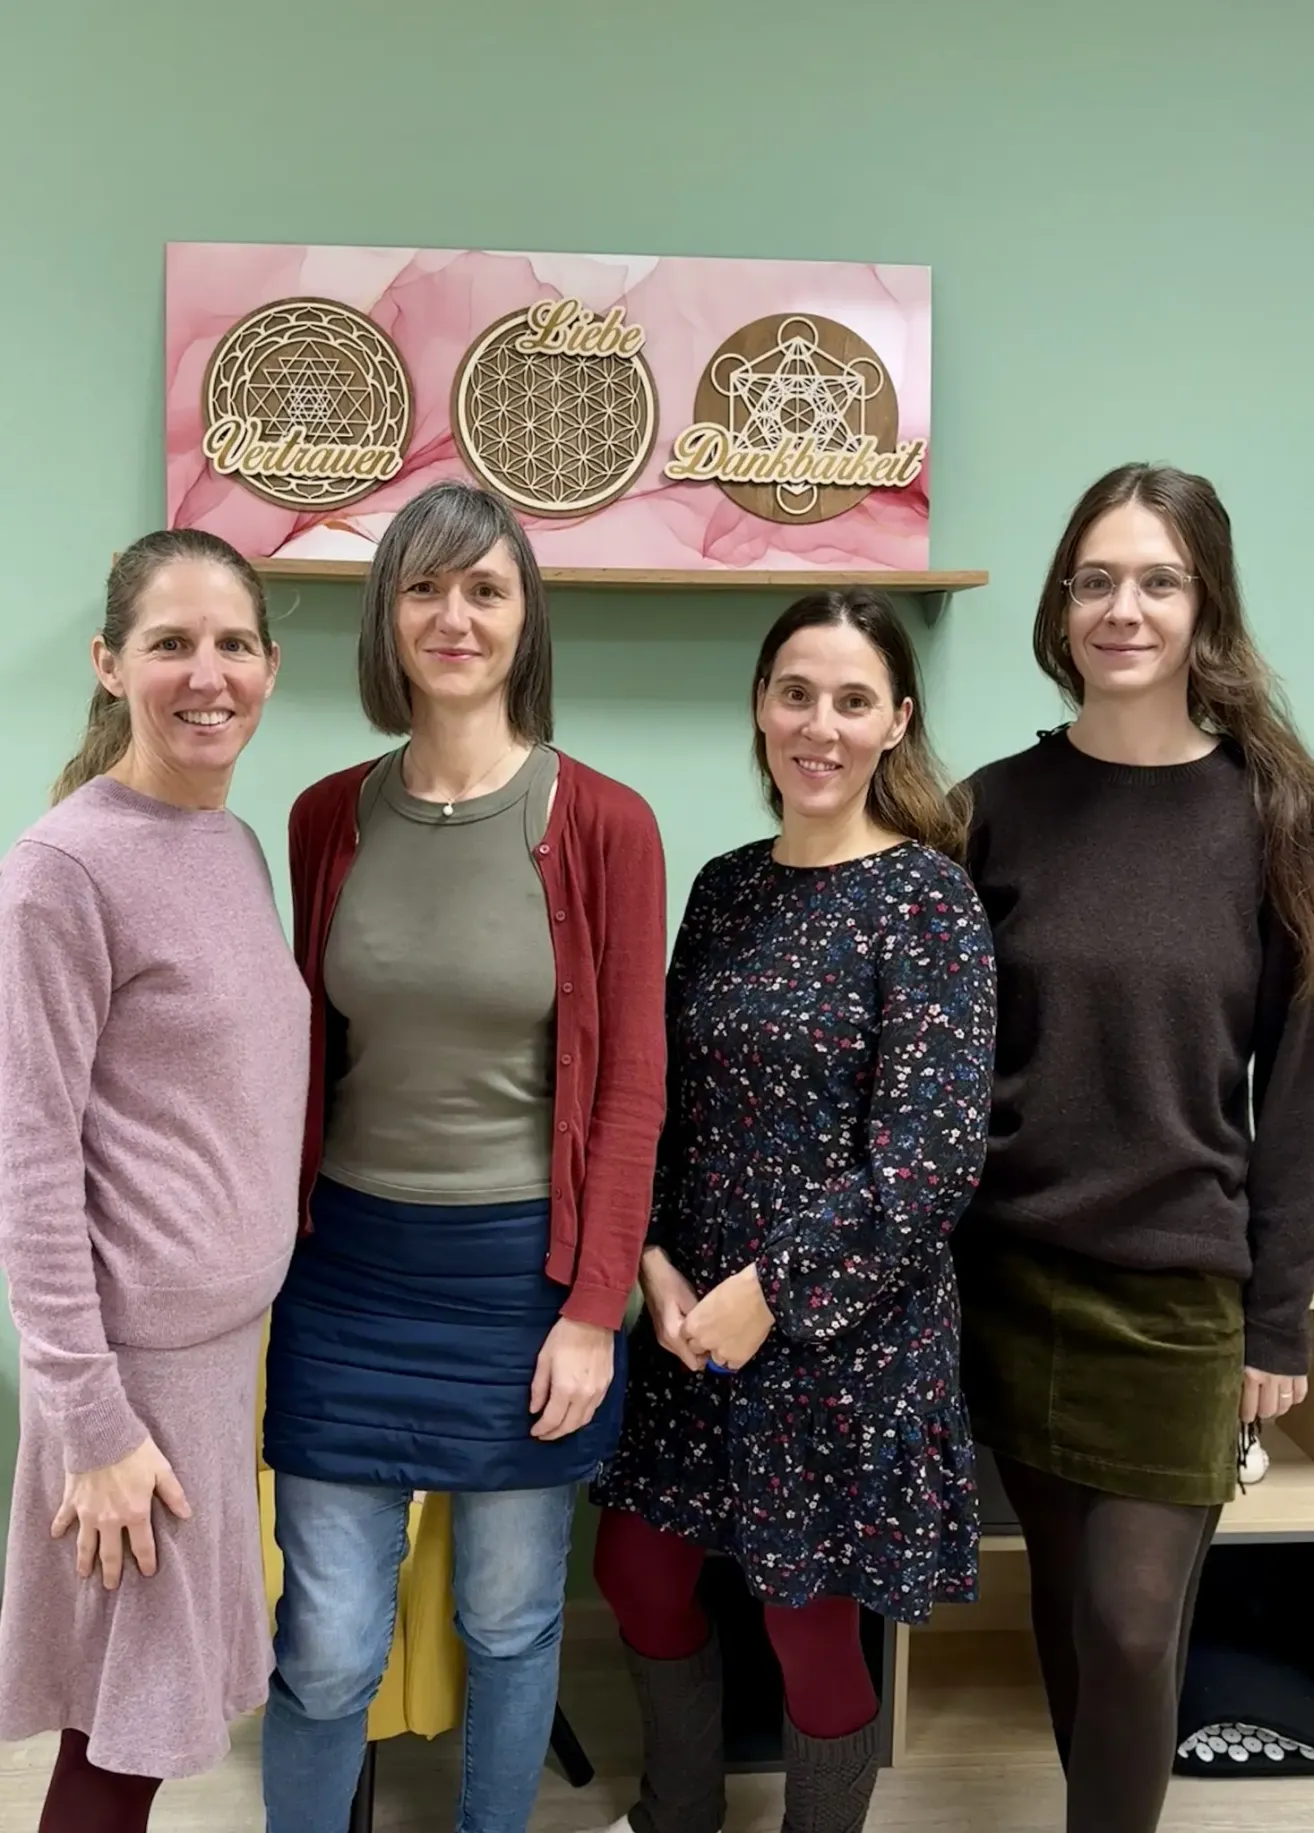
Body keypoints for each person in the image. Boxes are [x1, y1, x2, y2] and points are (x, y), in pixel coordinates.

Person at [260, 480, 668, 1833]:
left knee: (509, 1626)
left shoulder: (603, 823)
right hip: (347, 1273)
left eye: (484, 589)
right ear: (386, 615)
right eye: (425, 588)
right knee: (324, 1648)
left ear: (523, 618)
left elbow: (629, 1093)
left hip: (520, 1280)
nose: (453, 616)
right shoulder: (328, 816)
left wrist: (593, 1309)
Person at [587, 588, 997, 1833]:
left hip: (843, 1339)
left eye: (852, 700)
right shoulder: (723, 889)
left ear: (896, 723)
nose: (820, 725)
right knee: (638, 1571)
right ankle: (681, 1810)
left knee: (809, 1620)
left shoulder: (928, 903)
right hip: (690, 1324)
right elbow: (655, 1095)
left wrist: (772, 1291)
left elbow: (928, 1161)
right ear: (761, 708)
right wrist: (652, 1262)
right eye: (795, 693)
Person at [956, 463, 1314, 1833]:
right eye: (1095, 579)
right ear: (1061, 603)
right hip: (1011, 1277)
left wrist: (1276, 1320)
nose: (1122, 608)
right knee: (1061, 1601)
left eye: (1156, 581)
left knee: (1123, 1626)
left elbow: (1294, 1093)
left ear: (1203, 605)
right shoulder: (991, 808)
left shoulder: (1274, 818)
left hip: (1176, 1296)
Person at [0, 531, 309, 1833]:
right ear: (109, 664)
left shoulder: (229, 842)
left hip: (216, 1354)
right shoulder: (65, 869)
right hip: (130, 1380)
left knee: (136, 1724)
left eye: (232, 642)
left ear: (269, 668)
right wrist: (92, 1423)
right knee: (119, 1744)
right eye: (171, 642)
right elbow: (27, 1159)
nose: (207, 672)